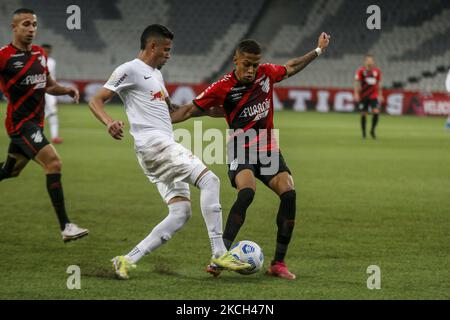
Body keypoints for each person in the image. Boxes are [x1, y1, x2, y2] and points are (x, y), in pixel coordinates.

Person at [88, 24, 250, 280]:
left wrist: (208, 111)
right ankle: (219, 252)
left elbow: (170, 110)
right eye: (166, 50)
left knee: (180, 213)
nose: (169, 55)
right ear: (152, 46)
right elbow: (96, 99)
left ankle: (126, 259)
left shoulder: (155, 75)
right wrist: (109, 122)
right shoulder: (128, 69)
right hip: (154, 146)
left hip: (159, 146)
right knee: (210, 180)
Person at [170, 33, 331, 280]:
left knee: (289, 194)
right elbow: (190, 110)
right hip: (240, 147)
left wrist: (317, 51)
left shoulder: (266, 73)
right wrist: (159, 120)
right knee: (247, 192)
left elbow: (291, 67)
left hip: (267, 147)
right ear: (236, 60)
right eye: (247, 64)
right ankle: (219, 256)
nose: (252, 70)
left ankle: (278, 263)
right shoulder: (222, 86)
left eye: (255, 64)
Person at [0, 8, 88, 242]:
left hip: (36, 124)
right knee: (54, 162)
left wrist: (66, 90)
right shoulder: (4, 56)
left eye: (34, 25)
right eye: (26, 24)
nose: (31, 29)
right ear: (14, 27)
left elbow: (47, 85)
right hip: (20, 124)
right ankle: (66, 226)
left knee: (11, 171)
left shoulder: (39, 54)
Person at [354, 54, 383, 139]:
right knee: (363, 114)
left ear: (373, 62)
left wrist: (380, 95)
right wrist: (356, 93)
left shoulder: (377, 71)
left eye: (371, 60)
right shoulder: (361, 71)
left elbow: (379, 84)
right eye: (368, 60)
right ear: (365, 61)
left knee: (376, 112)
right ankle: (363, 133)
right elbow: (357, 83)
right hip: (363, 96)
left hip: (373, 96)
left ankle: (372, 130)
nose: (370, 62)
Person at [42, 43, 63, 144]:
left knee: (53, 112)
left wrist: (56, 90)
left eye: (48, 51)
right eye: (45, 50)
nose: (47, 52)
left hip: (50, 90)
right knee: (44, 112)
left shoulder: (52, 62)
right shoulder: (36, 60)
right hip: (39, 89)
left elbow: (52, 77)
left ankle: (55, 137)